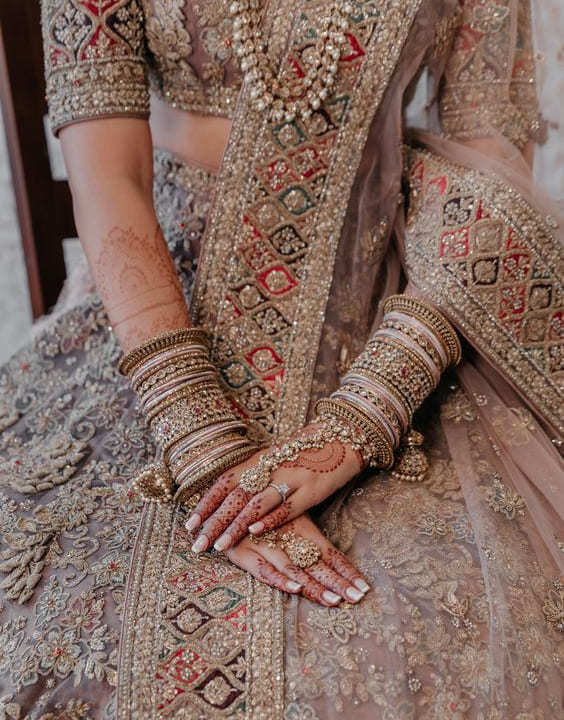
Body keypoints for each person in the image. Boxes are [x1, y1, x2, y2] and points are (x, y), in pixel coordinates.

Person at [0, 0, 562, 716]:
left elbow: (488, 170)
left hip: (400, 308)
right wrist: (198, 437)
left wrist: (367, 413)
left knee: (451, 633)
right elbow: (109, 177)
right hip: (152, 310)